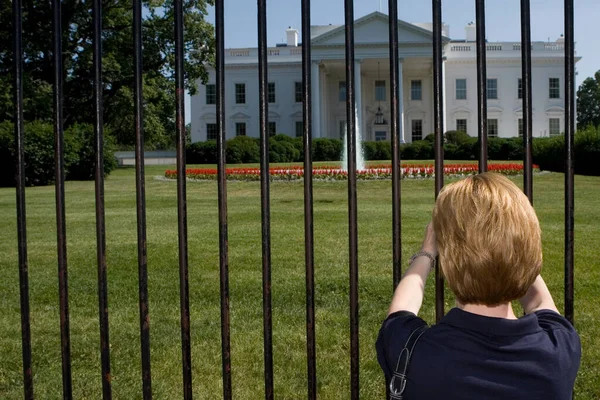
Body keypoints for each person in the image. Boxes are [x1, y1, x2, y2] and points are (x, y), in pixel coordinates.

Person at [376, 172, 581, 400]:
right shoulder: (559, 348)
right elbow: (540, 302)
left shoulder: (413, 351)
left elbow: (400, 310)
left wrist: (427, 251)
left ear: (448, 256)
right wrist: (512, 242)